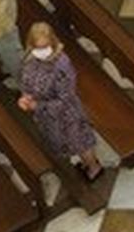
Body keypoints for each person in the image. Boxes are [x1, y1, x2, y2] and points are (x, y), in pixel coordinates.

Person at [18, 22, 102, 181]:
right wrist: (26, 97)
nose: (41, 51)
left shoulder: (62, 64)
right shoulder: (29, 58)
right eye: (38, 47)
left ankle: (94, 167)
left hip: (66, 114)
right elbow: (26, 81)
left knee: (80, 143)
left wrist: (39, 106)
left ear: (53, 42)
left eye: (45, 47)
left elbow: (66, 97)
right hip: (47, 116)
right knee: (64, 143)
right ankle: (85, 163)